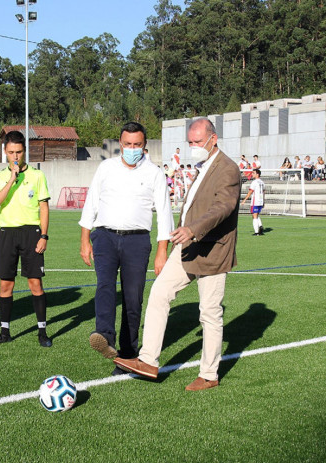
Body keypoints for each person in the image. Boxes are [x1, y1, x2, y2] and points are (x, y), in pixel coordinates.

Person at [113, 118, 240, 392]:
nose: (193, 147)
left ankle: (209, 374)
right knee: (160, 293)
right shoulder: (201, 166)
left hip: (212, 251)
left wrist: (193, 230)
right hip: (187, 247)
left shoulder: (228, 169)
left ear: (213, 139)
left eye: (197, 142)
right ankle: (148, 361)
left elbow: (221, 209)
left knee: (209, 313)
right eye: (190, 142)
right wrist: (183, 235)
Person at [79, 122, 173, 373]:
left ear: (144, 146)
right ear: (120, 144)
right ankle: (105, 337)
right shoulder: (106, 167)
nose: (132, 149)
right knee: (105, 287)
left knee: (133, 297)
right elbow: (91, 203)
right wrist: (84, 239)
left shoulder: (154, 173)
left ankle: (128, 354)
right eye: (128, 144)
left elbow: (165, 214)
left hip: (137, 241)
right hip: (105, 237)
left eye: (137, 145)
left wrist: (163, 251)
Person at [0, 130, 52, 347]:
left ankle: (42, 331)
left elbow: (44, 207)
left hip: (31, 233)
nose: (15, 156)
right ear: (4, 152)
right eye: (11, 152)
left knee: (35, 283)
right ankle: (4, 331)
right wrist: (12, 179)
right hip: (7, 233)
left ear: (25, 151)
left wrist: (44, 235)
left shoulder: (37, 175)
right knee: (6, 284)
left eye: (19, 152)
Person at [241, 168, 265, 235]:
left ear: (257, 174)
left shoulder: (254, 182)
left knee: (254, 216)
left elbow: (250, 191)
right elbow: (263, 192)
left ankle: (256, 232)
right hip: (260, 201)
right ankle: (260, 226)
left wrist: (244, 200)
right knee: (256, 215)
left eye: (253, 173)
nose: (252, 174)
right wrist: (264, 202)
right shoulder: (262, 182)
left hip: (255, 201)